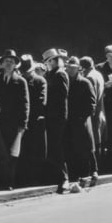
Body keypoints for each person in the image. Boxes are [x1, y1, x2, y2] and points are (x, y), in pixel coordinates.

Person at [0, 49, 30, 191]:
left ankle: (9, 182)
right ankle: (0, 181)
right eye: (6, 61)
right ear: (2, 63)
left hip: (14, 124)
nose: (8, 64)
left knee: (13, 154)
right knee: (0, 153)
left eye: (11, 62)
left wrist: (23, 124)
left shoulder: (21, 81)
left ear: (15, 65)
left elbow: (25, 103)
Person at [64, 57, 97, 186]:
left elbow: (92, 104)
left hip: (82, 122)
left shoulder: (85, 82)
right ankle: (75, 174)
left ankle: (91, 172)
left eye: (73, 68)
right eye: (69, 67)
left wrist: (82, 117)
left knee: (86, 148)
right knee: (72, 149)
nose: (71, 70)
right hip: (69, 121)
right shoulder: (66, 82)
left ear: (78, 68)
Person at [41, 48, 70, 192]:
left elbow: (61, 98)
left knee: (57, 148)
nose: (47, 64)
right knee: (52, 148)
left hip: (57, 118)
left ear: (52, 61)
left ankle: (64, 178)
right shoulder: (50, 74)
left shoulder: (60, 74)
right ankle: (55, 176)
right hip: (50, 117)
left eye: (48, 61)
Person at [17, 53, 46, 187]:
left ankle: (35, 178)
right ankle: (23, 178)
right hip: (21, 121)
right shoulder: (19, 80)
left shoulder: (40, 81)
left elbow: (41, 102)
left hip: (35, 122)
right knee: (22, 151)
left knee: (34, 151)